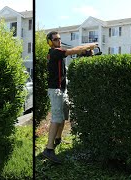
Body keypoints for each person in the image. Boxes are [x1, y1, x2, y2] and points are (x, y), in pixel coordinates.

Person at [42, 31, 97, 164]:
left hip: (62, 90)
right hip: (55, 91)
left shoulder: (59, 54)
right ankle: (49, 149)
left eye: (59, 39)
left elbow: (72, 54)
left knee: (64, 114)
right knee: (56, 118)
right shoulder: (54, 52)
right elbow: (72, 51)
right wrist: (88, 46)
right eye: (55, 39)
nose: (58, 41)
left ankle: (58, 139)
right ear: (50, 42)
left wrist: (83, 53)